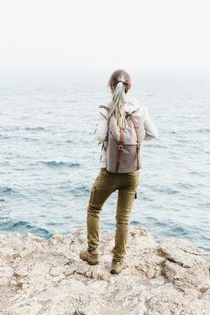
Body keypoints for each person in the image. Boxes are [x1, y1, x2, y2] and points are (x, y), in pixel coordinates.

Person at [79, 69, 158, 274]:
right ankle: (117, 261)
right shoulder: (140, 108)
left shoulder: (106, 108)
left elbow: (99, 136)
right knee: (123, 218)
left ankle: (93, 253)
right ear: (129, 86)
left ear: (110, 87)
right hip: (132, 173)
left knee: (94, 209)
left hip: (110, 172)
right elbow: (153, 134)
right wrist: (134, 143)